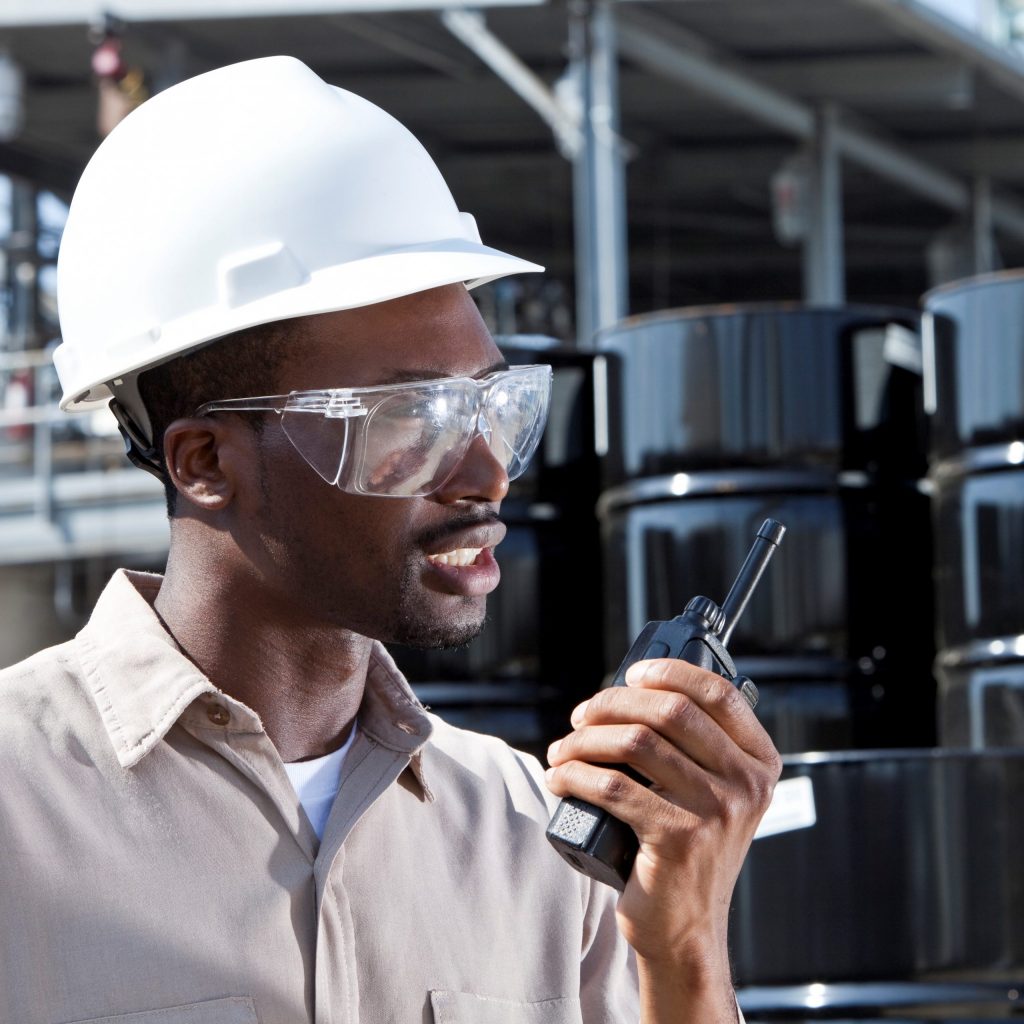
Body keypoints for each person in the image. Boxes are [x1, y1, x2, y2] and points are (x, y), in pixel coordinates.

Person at [0, 57, 780, 1023]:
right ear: (204, 460)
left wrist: (688, 950)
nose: (488, 471)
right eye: (409, 418)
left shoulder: (534, 838)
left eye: (494, 405)